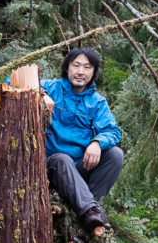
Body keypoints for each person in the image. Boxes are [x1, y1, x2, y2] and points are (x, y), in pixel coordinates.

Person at [42, 47, 123, 230]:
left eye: (87, 67)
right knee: (63, 159)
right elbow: (12, 82)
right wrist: (42, 95)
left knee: (115, 154)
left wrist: (97, 142)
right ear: (67, 68)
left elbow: (112, 131)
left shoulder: (97, 102)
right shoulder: (51, 88)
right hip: (51, 166)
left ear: (93, 72)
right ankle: (90, 210)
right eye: (76, 65)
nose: (80, 72)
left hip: (79, 168)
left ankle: (92, 210)